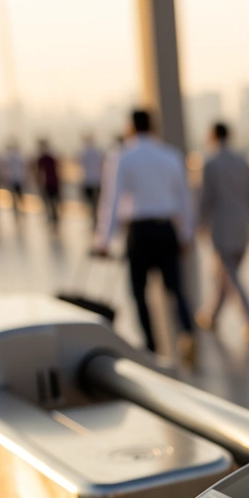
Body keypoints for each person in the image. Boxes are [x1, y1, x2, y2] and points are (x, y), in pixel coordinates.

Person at [95, 109, 197, 368]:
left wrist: (103, 241)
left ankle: (152, 346)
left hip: (139, 232)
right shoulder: (170, 155)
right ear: (153, 126)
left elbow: (111, 200)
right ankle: (187, 333)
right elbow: (184, 198)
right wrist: (185, 234)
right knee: (175, 288)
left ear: (130, 126)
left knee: (139, 292)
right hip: (166, 229)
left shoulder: (121, 157)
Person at [197, 122, 249, 342]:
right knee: (225, 274)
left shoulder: (211, 164)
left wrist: (199, 223)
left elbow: (206, 199)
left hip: (222, 228)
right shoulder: (244, 162)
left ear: (211, 136)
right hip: (243, 227)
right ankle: (210, 315)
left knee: (230, 275)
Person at [35, 139, 61, 229]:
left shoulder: (44, 157)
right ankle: (53, 216)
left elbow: (39, 172)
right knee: (52, 201)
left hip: (50, 182)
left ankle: (53, 216)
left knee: (51, 201)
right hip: (52, 182)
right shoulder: (51, 156)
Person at [79, 135, 104, 227]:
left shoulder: (83, 153)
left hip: (88, 181)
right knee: (97, 202)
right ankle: (97, 217)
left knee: (91, 202)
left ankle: (94, 218)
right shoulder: (98, 151)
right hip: (97, 180)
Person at [5, 141, 25, 218]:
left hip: (16, 178)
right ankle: (18, 210)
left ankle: (19, 209)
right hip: (14, 179)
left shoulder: (15, 156)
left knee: (17, 195)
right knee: (15, 196)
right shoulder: (13, 157)